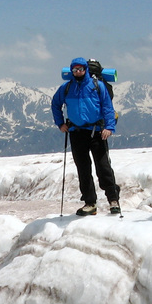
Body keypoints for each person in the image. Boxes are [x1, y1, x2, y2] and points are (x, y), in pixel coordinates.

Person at [51, 58, 120, 215]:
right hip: (77, 132)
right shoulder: (67, 87)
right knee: (83, 168)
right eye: (75, 70)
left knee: (103, 167)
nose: (78, 72)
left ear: (86, 69)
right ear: (71, 71)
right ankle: (90, 203)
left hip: (97, 131)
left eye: (80, 69)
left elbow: (108, 107)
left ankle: (113, 200)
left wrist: (109, 127)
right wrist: (60, 123)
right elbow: (55, 104)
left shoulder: (97, 86)